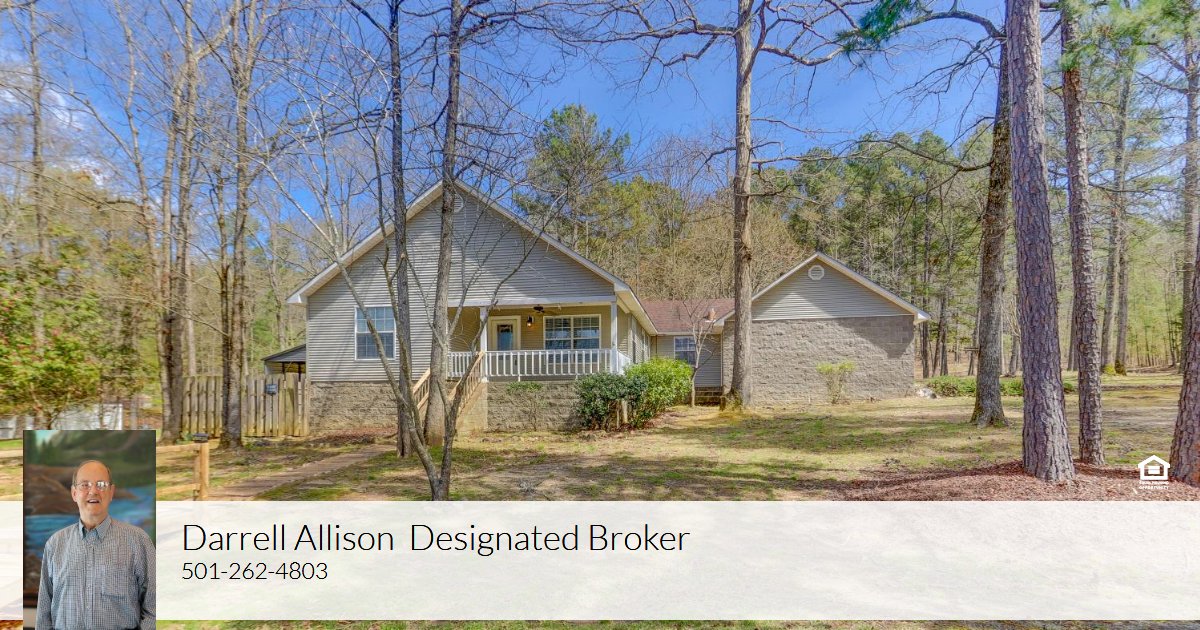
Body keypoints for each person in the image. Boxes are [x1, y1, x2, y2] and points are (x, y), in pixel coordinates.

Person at [36, 459, 155, 630]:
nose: (93, 491)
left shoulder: (138, 541)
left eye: (101, 484)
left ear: (111, 492)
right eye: (85, 485)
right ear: (74, 493)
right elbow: (43, 615)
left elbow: (155, 607)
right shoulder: (55, 544)